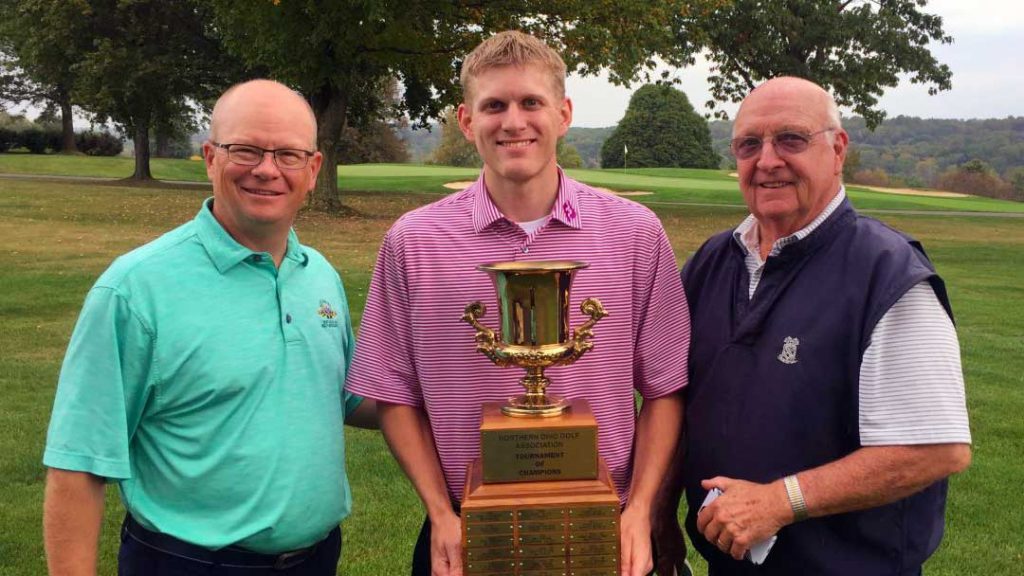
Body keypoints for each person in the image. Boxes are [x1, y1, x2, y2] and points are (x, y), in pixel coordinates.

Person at [346, 31, 690, 576]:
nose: (513, 121)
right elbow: (393, 394)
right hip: (464, 531)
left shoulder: (634, 233)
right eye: (494, 105)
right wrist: (439, 512)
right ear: (466, 120)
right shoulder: (413, 242)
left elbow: (666, 389)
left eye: (531, 102)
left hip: (607, 527)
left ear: (563, 113)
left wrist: (641, 508)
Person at [42, 79, 375, 576]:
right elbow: (78, 462)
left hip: (316, 558)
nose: (267, 170)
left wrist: (467, 388)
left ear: (313, 170)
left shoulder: (318, 274)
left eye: (287, 154)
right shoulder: (135, 290)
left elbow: (349, 398)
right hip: (186, 562)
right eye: (246, 150)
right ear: (210, 157)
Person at [654, 76, 972, 576]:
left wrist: (781, 501)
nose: (767, 160)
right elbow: (674, 403)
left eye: (791, 139)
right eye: (748, 144)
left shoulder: (886, 272)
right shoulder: (713, 262)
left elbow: (935, 448)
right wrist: (658, 514)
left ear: (838, 149)